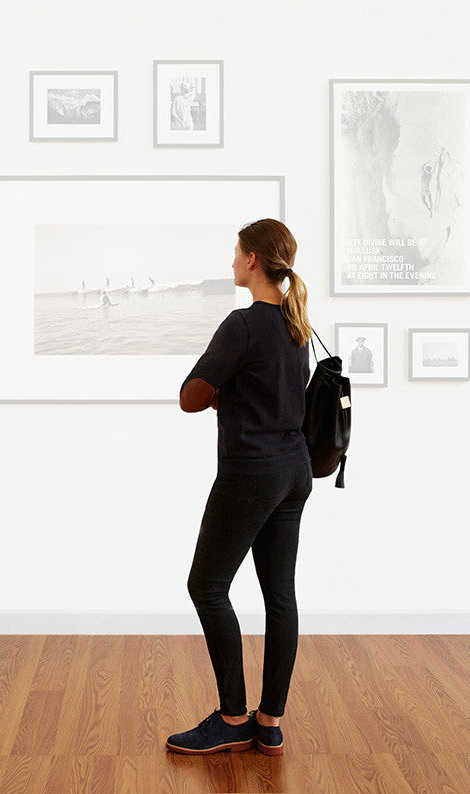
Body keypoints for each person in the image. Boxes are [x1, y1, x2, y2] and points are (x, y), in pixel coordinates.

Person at [165, 218, 313, 757]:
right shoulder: (299, 326)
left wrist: (223, 393)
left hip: (251, 472)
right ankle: (268, 722)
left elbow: (190, 396)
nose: (231, 260)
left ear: (253, 260)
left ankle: (232, 718)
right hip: (294, 473)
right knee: (281, 596)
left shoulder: (244, 324)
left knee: (206, 586)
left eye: (236, 252)